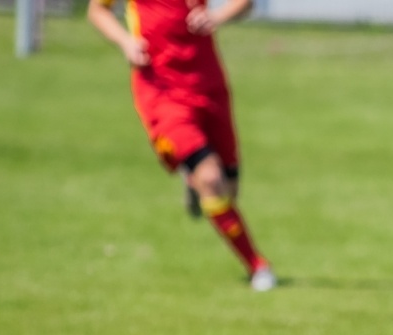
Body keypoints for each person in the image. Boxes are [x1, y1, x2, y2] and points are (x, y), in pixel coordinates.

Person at [87, 0, 276, 290]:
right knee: (211, 179)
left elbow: (246, 3)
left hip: (208, 84)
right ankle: (258, 266)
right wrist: (125, 41)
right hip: (160, 87)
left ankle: (194, 177)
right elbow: (97, 10)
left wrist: (217, 16)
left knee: (229, 190)